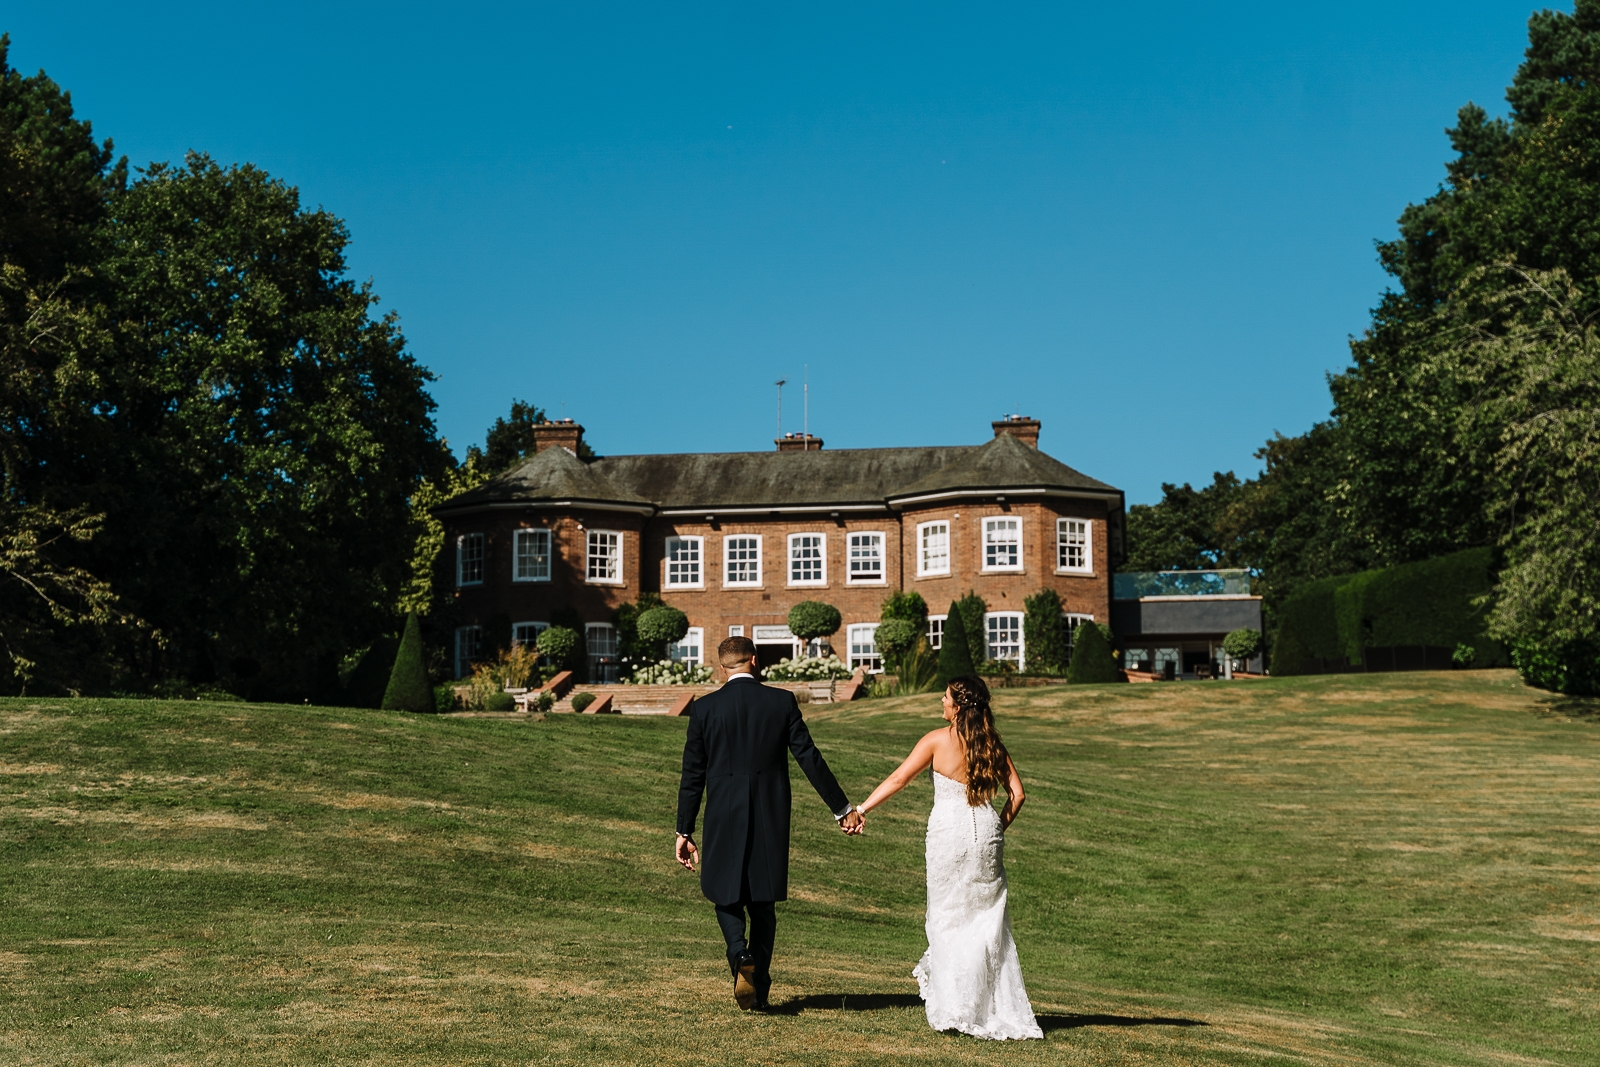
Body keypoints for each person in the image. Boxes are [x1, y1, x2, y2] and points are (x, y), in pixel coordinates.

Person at [675, 636, 863, 1011]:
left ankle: (738, 952)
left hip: (723, 813)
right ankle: (758, 987)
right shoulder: (780, 701)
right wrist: (842, 808)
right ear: (755, 661)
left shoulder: (705, 709)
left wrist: (684, 829)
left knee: (723, 893)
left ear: (722, 667)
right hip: (769, 812)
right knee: (762, 902)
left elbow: (692, 774)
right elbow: (809, 757)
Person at [855, 674, 1042, 1040]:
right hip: (986, 834)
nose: (940, 702)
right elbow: (1017, 795)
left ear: (957, 706)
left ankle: (956, 1008)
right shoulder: (993, 745)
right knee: (985, 922)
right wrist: (996, 829)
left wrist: (862, 808)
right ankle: (990, 1008)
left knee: (947, 917)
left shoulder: (937, 740)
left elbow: (898, 779)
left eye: (944, 697)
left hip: (947, 836)